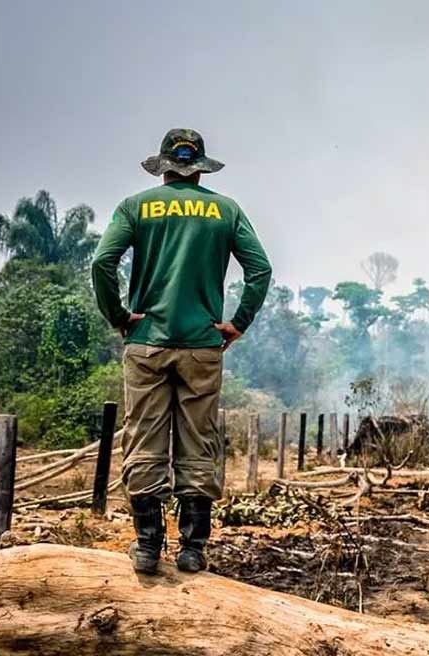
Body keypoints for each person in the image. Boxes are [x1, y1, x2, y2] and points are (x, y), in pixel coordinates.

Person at [91, 128, 272, 574]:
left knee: (144, 438)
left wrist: (118, 315)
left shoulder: (136, 207)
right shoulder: (225, 210)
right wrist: (238, 323)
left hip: (147, 344)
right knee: (199, 440)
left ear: (164, 165)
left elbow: (101, 263)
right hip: (203, 346)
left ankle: (148, 548)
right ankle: (193, 549)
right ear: (200, 168)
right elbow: (260, 269)